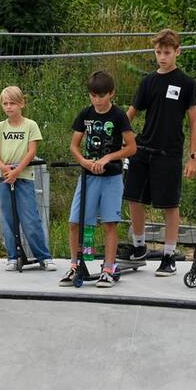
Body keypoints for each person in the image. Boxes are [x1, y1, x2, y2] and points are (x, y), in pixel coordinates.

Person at [123, 29, 196, 276]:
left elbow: (195, 122)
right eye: (158, 52)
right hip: (143, 148)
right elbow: (132, 112)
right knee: (134, 198)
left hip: (169, 152)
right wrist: (121, 135)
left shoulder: (187, 83)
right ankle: (139, 247)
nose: (162, 57)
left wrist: (192, 155)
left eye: (167, 52)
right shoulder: (148, 81)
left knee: (169, 205)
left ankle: (169, 255)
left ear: (177, 51)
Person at [60, 71, 136, 288]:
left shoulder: (119, 116)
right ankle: (76, 265)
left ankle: (109, 268)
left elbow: (131, 147)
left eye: (101, 96)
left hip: (111, 177)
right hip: (88, 177)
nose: (97, 100)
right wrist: (84, 161)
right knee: (76, 221)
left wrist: (109, 157)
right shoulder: (85, 114)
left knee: (110, 223)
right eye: (93, 96)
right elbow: (74, 145)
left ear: (111, 94)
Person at [0, 86, 54, 271]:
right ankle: (13, 256)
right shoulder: (0, 127)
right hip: (5, 178)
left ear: (21, 104)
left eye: (12, 103)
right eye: (5, 103)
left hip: (23, 177)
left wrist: (17, 171)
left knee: (30, 218)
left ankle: (43, 256)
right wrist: (3, 167)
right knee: (8, 219)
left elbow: (32, 151)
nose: (9, 107)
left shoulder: (30, 125)